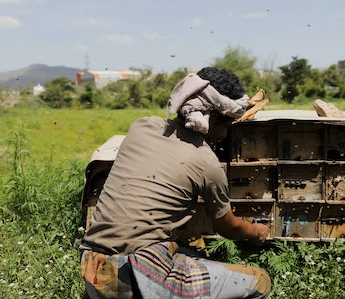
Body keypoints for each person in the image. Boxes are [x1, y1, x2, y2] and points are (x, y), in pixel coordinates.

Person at [80, 67, 271, 298]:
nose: (226, 133)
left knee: (192, 248)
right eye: (226, 125)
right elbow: (227, 227)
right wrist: (256, 231)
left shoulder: (142, 126)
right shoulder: (206, 162)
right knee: (260, 281)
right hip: (132, 277)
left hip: (92, 267)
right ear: (211, 118)